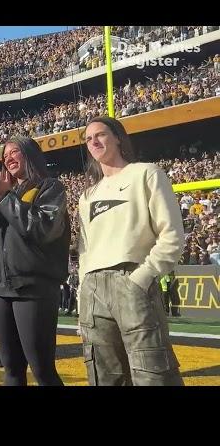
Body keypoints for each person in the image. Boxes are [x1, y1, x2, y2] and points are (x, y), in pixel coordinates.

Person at [78, 116, 185, 386]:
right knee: (104, 377)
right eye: (88, 139)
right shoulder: (88, 195)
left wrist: (142, 277)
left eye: (100, 135)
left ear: (117, 137)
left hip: (131, 278)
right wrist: (82, 293)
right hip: (92, 289)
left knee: (153, 375)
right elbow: (84, 250)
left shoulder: (146, 173)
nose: (94, 142)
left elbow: (172, 234)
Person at [0, 136, 69, 386]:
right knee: (11, 370)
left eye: (14, 152)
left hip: (32, 287)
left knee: (42, 370)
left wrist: (4, 199)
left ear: (30, 155)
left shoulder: (51, 187)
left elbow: (42, 229)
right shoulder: (5, 194)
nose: (8, 158)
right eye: (5, 156)